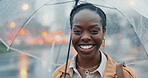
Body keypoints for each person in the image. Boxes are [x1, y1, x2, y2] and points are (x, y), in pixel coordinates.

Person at [52, 3, 136, 78]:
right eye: (77, 31)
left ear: (103, 32)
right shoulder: (59, 75)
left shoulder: (124, 75)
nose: (85, 37)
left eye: (94, 31)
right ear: (71, 33)